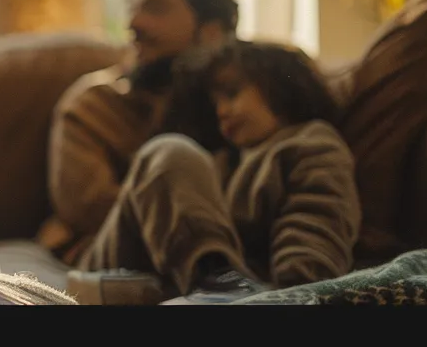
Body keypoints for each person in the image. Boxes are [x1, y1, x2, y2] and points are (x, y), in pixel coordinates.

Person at [68, 40, 360, 304]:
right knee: (171, 152)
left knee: (174, 153)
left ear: (281, 89)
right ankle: (216, 279)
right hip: (118, 261)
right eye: (215, 103)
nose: (221, 111)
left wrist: (297, 289)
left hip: (228, 290)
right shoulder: (216, 161)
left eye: (232, 94)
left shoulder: (311, 143)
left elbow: (314, 236)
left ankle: (212, 285)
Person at [34, 0, 242, 285]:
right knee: (172, 155)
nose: (134, 23)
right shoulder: (92, 103)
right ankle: (219, 285)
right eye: (132, 8)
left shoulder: (240, 99)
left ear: (211, 32)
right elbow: (86, 208)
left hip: (238, 249)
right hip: (115, 253)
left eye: (155, 8)